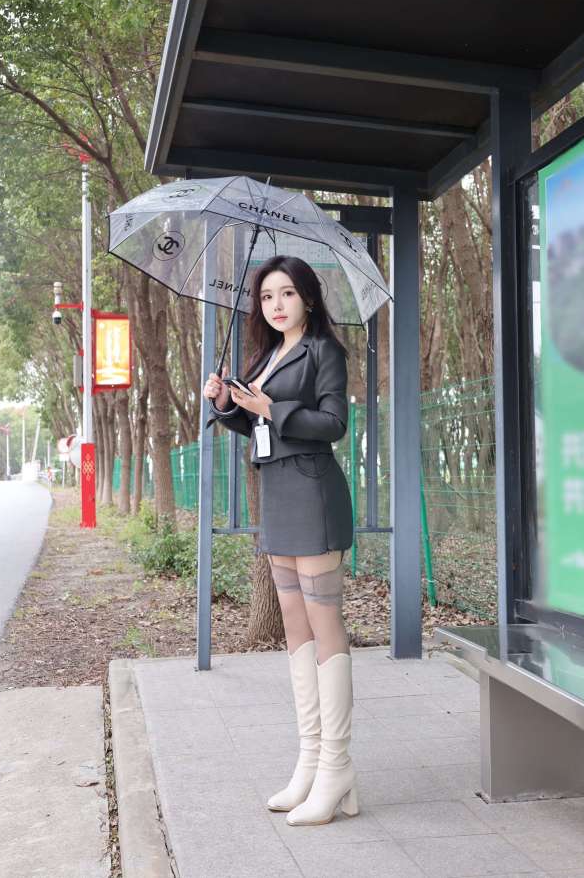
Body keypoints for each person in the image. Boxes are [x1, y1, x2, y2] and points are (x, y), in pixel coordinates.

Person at [202, 255, 358, 826]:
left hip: (313, 492)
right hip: (277, 494)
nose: (276, 304)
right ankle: (310, 760)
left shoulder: (323, 351)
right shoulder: (264, 357)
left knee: (323, 624)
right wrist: (227, 404)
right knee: (294, 627)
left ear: (308, 298)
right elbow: (257, 425)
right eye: (267, 296)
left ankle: (337, 767)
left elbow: (334, 424)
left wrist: (273, 407)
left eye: (287, 293)